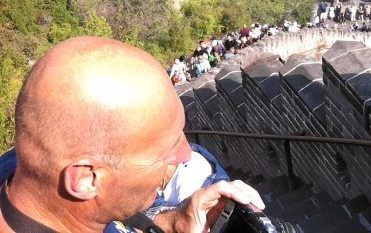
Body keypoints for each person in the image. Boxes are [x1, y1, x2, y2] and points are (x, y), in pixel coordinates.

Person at [0, 37, 264, 233]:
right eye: (165, 150)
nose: (186, 154)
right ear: (86, 179)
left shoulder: (24, 175)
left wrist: (174, 223)